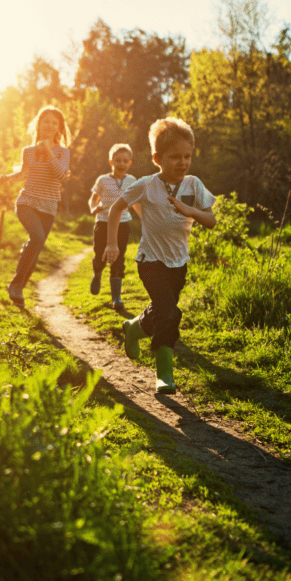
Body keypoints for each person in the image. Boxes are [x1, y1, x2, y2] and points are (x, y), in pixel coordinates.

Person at [104, 117, 217, 394]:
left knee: (162, 311)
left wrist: (191, 211)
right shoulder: (146, 184)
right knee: (169, 312)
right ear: (157, 158)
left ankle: (133, 328)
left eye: (187, 156)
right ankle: (164, 374)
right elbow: (116, 209)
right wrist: (112, 244)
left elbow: (212, 220)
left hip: (179, 264)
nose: (182, 162)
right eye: (175, 156)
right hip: (150, 261)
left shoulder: (194, 185)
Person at [0, 105, 71, 309]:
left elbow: (62, 177)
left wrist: (49, 152)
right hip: (27, 202)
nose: (49, 125)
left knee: (36, 248)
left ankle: (18, 288)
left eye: (54, 123)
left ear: (59, 128)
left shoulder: (63, 152)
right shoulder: (28, 151)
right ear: (38, 124)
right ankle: (16, 284)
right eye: (46, 121)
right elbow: (23, 175)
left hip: (48, 206)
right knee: (37, 238)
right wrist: (7, 179)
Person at [88, 143, 139, 312]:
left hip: (123, 223)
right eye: (118, 160)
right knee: (99, 253)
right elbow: (93, 199)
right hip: (102, 221)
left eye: (125, 161)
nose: (121, 164)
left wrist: (146, 219)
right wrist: (93, 208)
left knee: (119, 257)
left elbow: (138, 202)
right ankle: (97, 273)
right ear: (111, 161)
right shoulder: (103, 180)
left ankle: (116, 298)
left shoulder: (132, 181)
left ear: (130, 163)